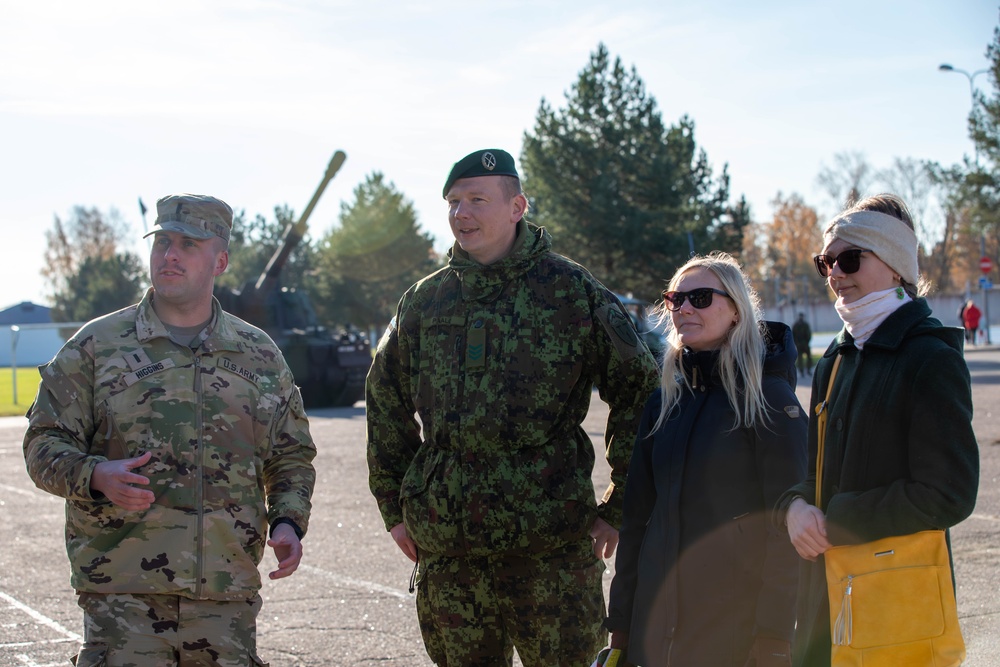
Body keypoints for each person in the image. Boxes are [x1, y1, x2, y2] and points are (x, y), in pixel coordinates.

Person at [366, 148, 660, 666]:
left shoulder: (570, 291)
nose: (461, 213)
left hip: (551, 552)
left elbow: (640, 391)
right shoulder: (425, 300)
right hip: (450, 557)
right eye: (453, 202)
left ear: (517, 206)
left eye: (477, 199)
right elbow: (384, 400)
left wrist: (619, 506)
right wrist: (395, 507)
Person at [23, 194, 317, 666]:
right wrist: (95, 476)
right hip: (122, 595)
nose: (170, 255)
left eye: (188, 244)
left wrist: (287, 520)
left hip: (225, 593)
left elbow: (290, 455)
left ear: (219, 259)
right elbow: (43, 443)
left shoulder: (257, 355)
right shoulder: (97, 346)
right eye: (162, 242)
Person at [775, 193, 979, 666]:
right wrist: (793, 509)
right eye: (825, 262)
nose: (835, 274)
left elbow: (949, 493)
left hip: (895, 604)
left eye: (849, 259)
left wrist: (843, 518)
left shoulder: (930, 356)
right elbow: (816, 475)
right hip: (825, 602)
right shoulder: (835, 360)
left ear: (894, 264)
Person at [605, 252, 808, 667]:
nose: (683, 308)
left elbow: (786, 528)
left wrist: (773, 636)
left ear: (735, 309)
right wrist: (622, 626)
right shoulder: (665, 401)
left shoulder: (768, 399)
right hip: (657, 629)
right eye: (674, 299)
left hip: (735, 630)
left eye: (699, 297)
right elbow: (638, 519)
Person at [792, 312, 813, 376]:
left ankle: (807, 370)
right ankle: (802, 371)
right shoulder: (796, 325)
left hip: (804, 344)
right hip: (801, 344)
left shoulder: (803, 325)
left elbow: (808, 334)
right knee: (800, 358)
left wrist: (806, 342)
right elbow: (793, 335)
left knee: (808, 357)